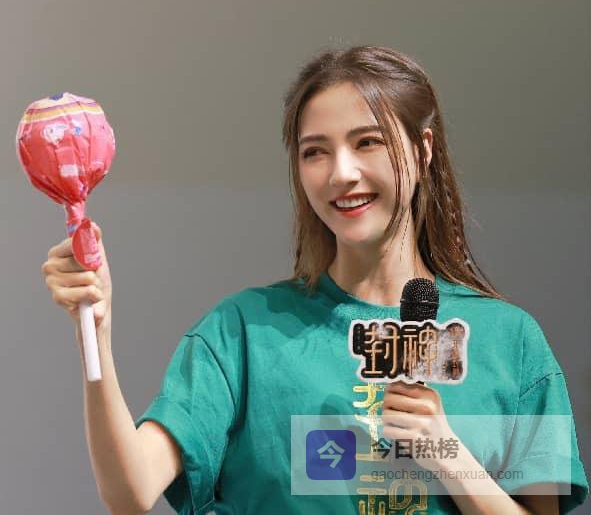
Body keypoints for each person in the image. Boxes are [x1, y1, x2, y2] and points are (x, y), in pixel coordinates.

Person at [42, 46, 589, 514]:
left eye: (368, 142)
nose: (341, 173)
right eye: (315, 152)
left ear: (423, 151)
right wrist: (97, 331)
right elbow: (130, 491)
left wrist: (447, 453)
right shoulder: (242, 332)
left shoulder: (510, 340)